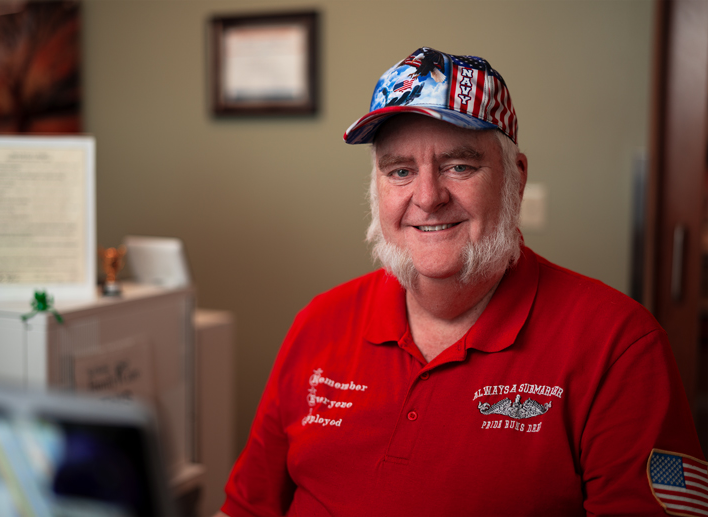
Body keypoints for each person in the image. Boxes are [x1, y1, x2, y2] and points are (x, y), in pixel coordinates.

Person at [219, 47, 705, 516]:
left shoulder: (619, 346)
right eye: (401, 171)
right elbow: (246, 508)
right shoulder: (318, 324)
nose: (427, 197)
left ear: (515, 178)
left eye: (460, 166)